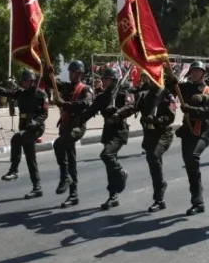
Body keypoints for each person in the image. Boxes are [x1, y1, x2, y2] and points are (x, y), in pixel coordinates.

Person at [116, 76, 176, 212]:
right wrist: (119, 113)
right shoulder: (144, 95)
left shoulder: (167, 95)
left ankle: (159, 198)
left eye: (154, 77)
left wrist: (157, 120)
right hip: (149, 135)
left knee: (154, 157)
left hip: (163, 133)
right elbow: (132, 107)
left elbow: (171, 117)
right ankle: (160, 187)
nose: (152, 80)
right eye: (149, 77)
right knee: (154, 163)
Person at [0, 69, 48, 199]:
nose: (24, 83)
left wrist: (36, 121)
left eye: (27, 81)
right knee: (30, 158)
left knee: (16, 139)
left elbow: (44, 114)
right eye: (23, 81)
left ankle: (14, 171)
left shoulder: (40, 94)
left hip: (36, 128)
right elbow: (5, 92)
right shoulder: (20, 93)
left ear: (32, 81)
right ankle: (37, 187)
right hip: (24, 127)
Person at [172, 60, 209, 215]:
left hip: (203, 131)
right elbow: (167, 90)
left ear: (203, 73)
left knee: (193, 158)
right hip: (188, 130)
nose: (194, 73)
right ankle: (197, 199)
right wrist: (170, 80)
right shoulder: (184, 87)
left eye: (197, 71)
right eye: (192, 71)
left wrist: (190, 109)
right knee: (189, 164)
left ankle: (198, 202)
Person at [81, 68, 131, 210]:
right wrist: (76, 121)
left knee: (106, 155)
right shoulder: (103, 96)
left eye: (107, 79)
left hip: (119, 131)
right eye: (104, 78)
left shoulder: (122, 93)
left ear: (114, 80)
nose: (104, 81)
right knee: (110, 164)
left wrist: (117, 112)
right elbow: (91, 111)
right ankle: (113, 196)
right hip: (108, 131)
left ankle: (121, 172)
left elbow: (130, 106)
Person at [46, 60, 93, 208]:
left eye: (74, 72)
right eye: (70, 71)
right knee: (71, 160)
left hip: (77, 127)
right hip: (65, 126)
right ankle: (73, 195)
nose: (71, 74)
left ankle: (65, 177)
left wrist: (65, 104)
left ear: (80, 74)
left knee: (59, 144)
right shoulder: (66, 87)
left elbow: (85, 104)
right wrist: (47, 71)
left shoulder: (85, 89)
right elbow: (49, 82)